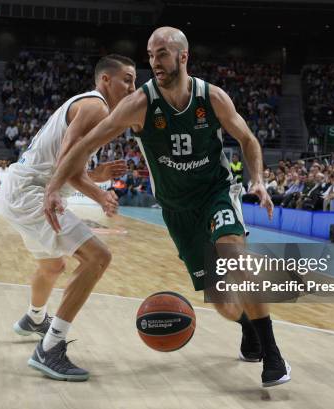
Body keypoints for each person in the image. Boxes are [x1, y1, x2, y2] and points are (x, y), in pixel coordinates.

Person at [44, 27, 291, 388]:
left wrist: (256, 180)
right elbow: (85, 144)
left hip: (215, 193)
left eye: (161, 53)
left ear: (182, 56)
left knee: (234, 255)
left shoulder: (212, 97)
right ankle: (247, 327)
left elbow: (248, 139)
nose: (154, 62)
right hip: (177, 211)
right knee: (223, 303)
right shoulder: (140, 104)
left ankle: (273, 357)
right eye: (150, 54)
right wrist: (53, 186)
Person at [0, 54, 134, 382]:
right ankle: (50, 348)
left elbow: (69, 167)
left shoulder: (90, 109)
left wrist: (95, 175)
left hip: (19, 190)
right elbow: (64, 163)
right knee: (98, 257)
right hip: (32, 193)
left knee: (53, 266)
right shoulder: (97, 107)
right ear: (105, 80)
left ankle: (34, 318)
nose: (133, 87)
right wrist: (100, 194)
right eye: (127, 79)